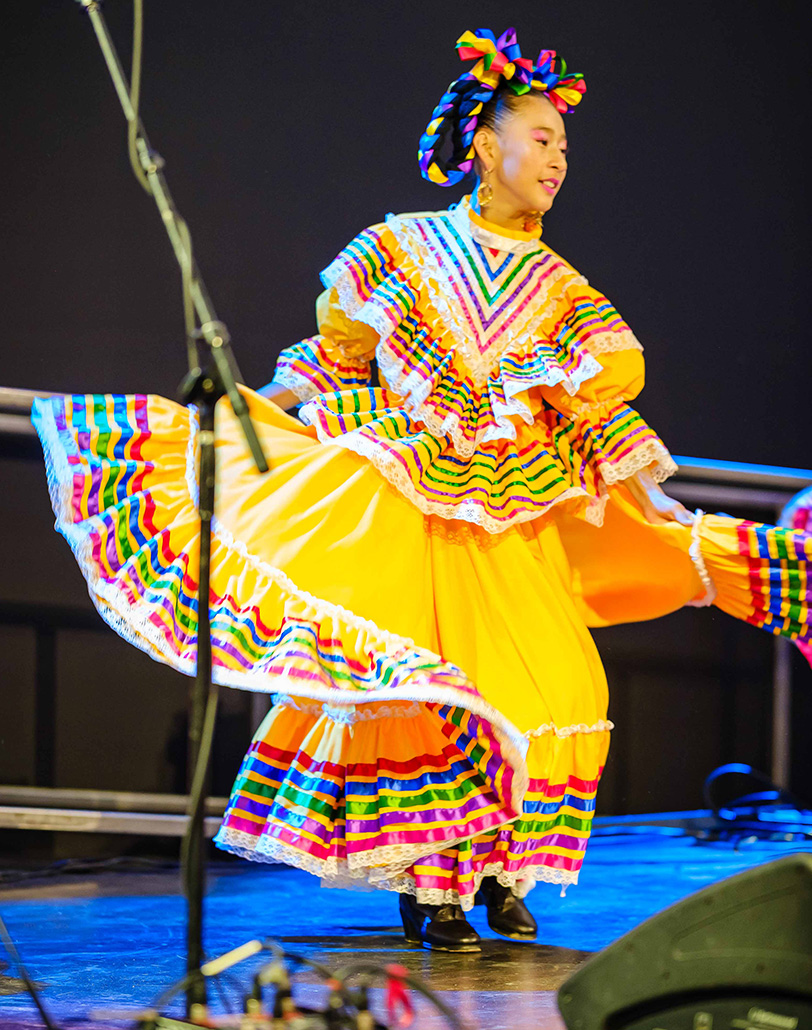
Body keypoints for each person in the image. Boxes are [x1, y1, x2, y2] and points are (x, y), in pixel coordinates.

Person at [31, 27, 811, 953]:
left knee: (555, 681)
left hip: (512, 519)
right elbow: (335, 359)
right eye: (542, 138)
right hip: (409, 511)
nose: (558, 159)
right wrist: (251, 414)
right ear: (483, 143)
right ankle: (435, 884)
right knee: (430, 688)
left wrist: (644, 497)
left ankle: (504, 870)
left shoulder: (564, 291)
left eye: (565, 146)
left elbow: (598, 404)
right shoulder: (400, 248)